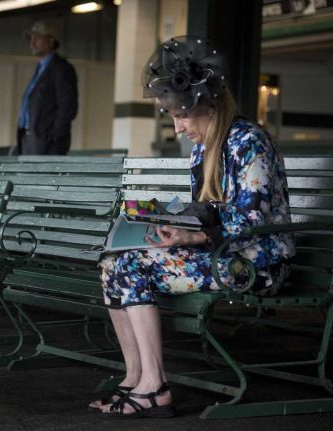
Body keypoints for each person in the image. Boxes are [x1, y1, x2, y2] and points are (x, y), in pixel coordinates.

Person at [90, 36, 295, 418]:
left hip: (258, 264)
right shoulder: (205, 148)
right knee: (112, 263)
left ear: (208, 106)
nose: (179, 127)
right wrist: (164, 219)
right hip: (222, 253)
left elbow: (253, 220)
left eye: (182, 115)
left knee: (133, 266)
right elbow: (208, 211)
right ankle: (136, 376)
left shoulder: (250, 142)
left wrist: (193, 235)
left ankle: (156, 387)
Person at [16, 21, 78, 155]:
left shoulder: (61, 68)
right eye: (31, 39)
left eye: (37, 38)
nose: (32, 43)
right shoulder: (41, 69)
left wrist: (54, 136)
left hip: (46, 142)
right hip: (30, 138)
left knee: (42, 175)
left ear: (51, 41)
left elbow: (68, 106)